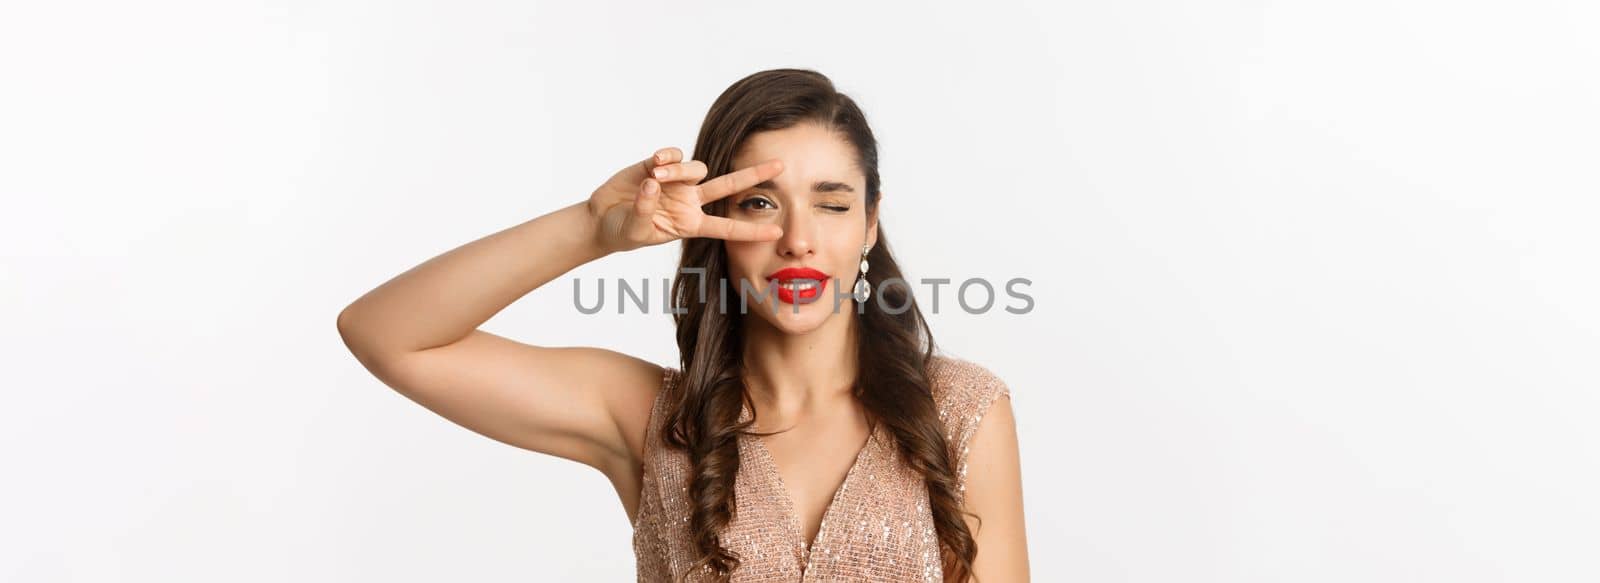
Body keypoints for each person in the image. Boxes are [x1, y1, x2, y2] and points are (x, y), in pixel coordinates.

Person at [337, 68, 1028, 582]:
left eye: (832, 204)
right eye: (759, 203)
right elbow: (386, 334)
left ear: (870, 225)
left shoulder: (961, 410)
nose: (797, 239)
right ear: (715, 226)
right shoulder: (651, 418)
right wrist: (593, 228)